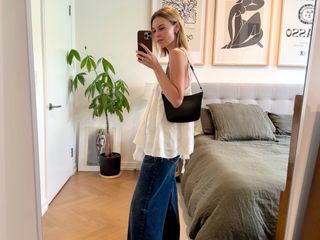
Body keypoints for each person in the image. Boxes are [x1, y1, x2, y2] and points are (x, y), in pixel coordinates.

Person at [127, 6, 194, 240]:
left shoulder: (176, 54)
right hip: (169, 141)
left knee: (142, 206)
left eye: (162, 28)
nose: (157, 35)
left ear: (176, 26)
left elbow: (176, 99)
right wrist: (157, 66)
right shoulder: (181, 53)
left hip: (163, 145)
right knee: (165, 199)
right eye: (154, 30)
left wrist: (156, 66)